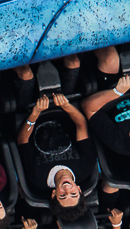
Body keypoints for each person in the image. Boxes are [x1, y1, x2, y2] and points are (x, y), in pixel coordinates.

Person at [17, 93, 97, 222]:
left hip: (31, 117)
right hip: (63, 111)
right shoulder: (85, 168)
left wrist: (35, 113)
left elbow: (22, 140)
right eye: (73, 193)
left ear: (54, 194)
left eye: (63, 195)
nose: (67, 189)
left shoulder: (37, 178)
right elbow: (81, 124)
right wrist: (65, 105)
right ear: (79, 190)